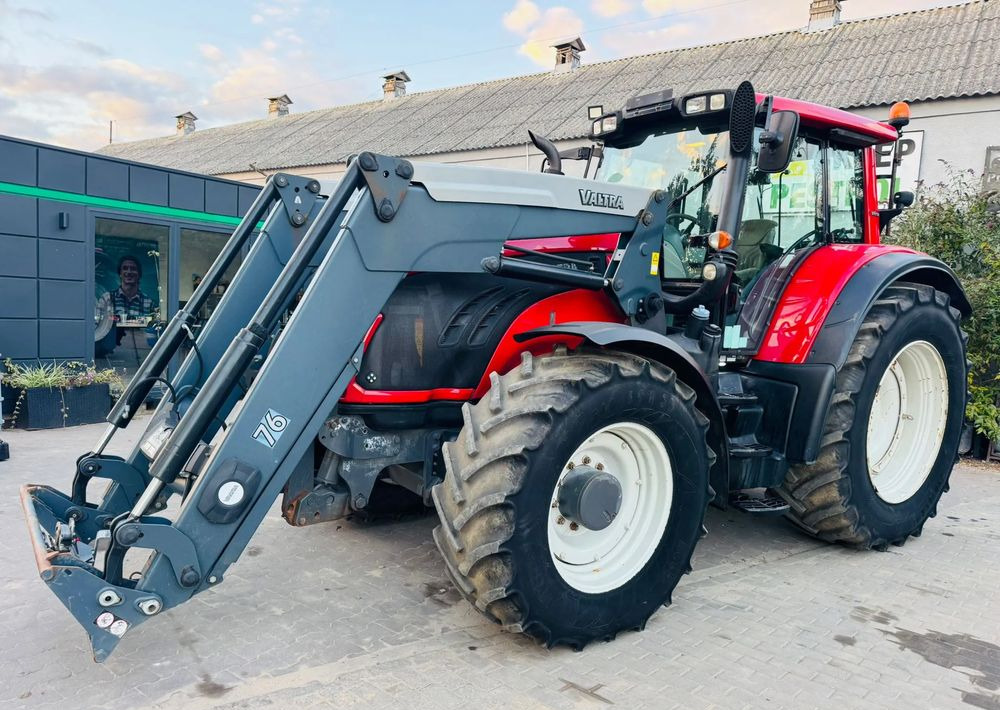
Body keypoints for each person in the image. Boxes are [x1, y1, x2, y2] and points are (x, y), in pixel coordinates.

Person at [110, 255, 154, 322]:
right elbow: (99, 326)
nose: (129, 272)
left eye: (133, 269)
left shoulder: (149, 303)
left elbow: (153, 328)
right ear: (120, 274)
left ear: (139, 274)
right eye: (125, 268)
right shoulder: (107, 299)